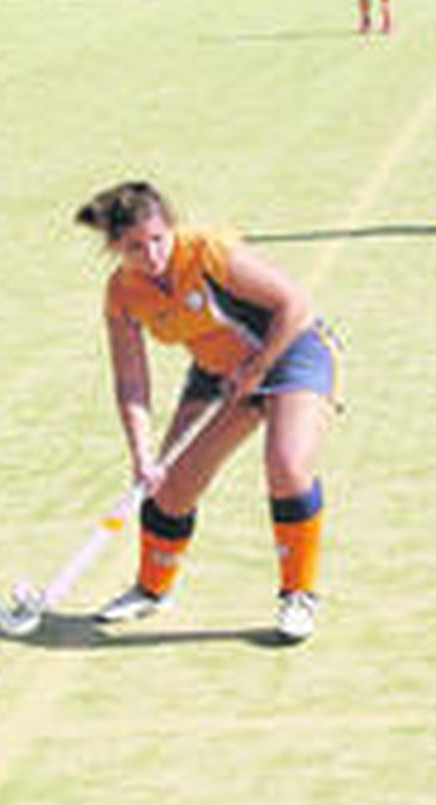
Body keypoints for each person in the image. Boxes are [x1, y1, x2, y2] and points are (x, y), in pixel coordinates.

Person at [76, 182, 341, 644]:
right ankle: (151, 590)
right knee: (171, 485)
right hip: (219, 371)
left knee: (286, 465)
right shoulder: (122, 293)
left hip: (293, 352)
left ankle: (298, 595)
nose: (152, 254)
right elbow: (131, 382)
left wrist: (258, 370)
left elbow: (294, 304)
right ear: (115, 248)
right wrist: (141, 455)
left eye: (158, 239)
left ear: (170, 227)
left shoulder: (209, 252)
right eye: (135, 248)